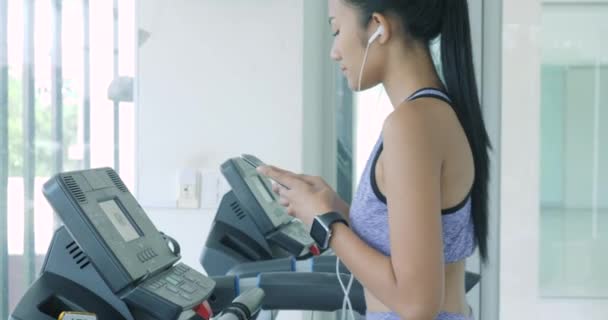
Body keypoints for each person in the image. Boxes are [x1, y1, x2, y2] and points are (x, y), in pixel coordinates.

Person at [258, 0, 490, 319]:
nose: (334, 51)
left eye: (337, 30)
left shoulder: (412, 125)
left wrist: (324, 222)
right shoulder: (426, 116)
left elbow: (416, 304)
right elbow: (405, 247)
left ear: (378, 27)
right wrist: (333, 208)